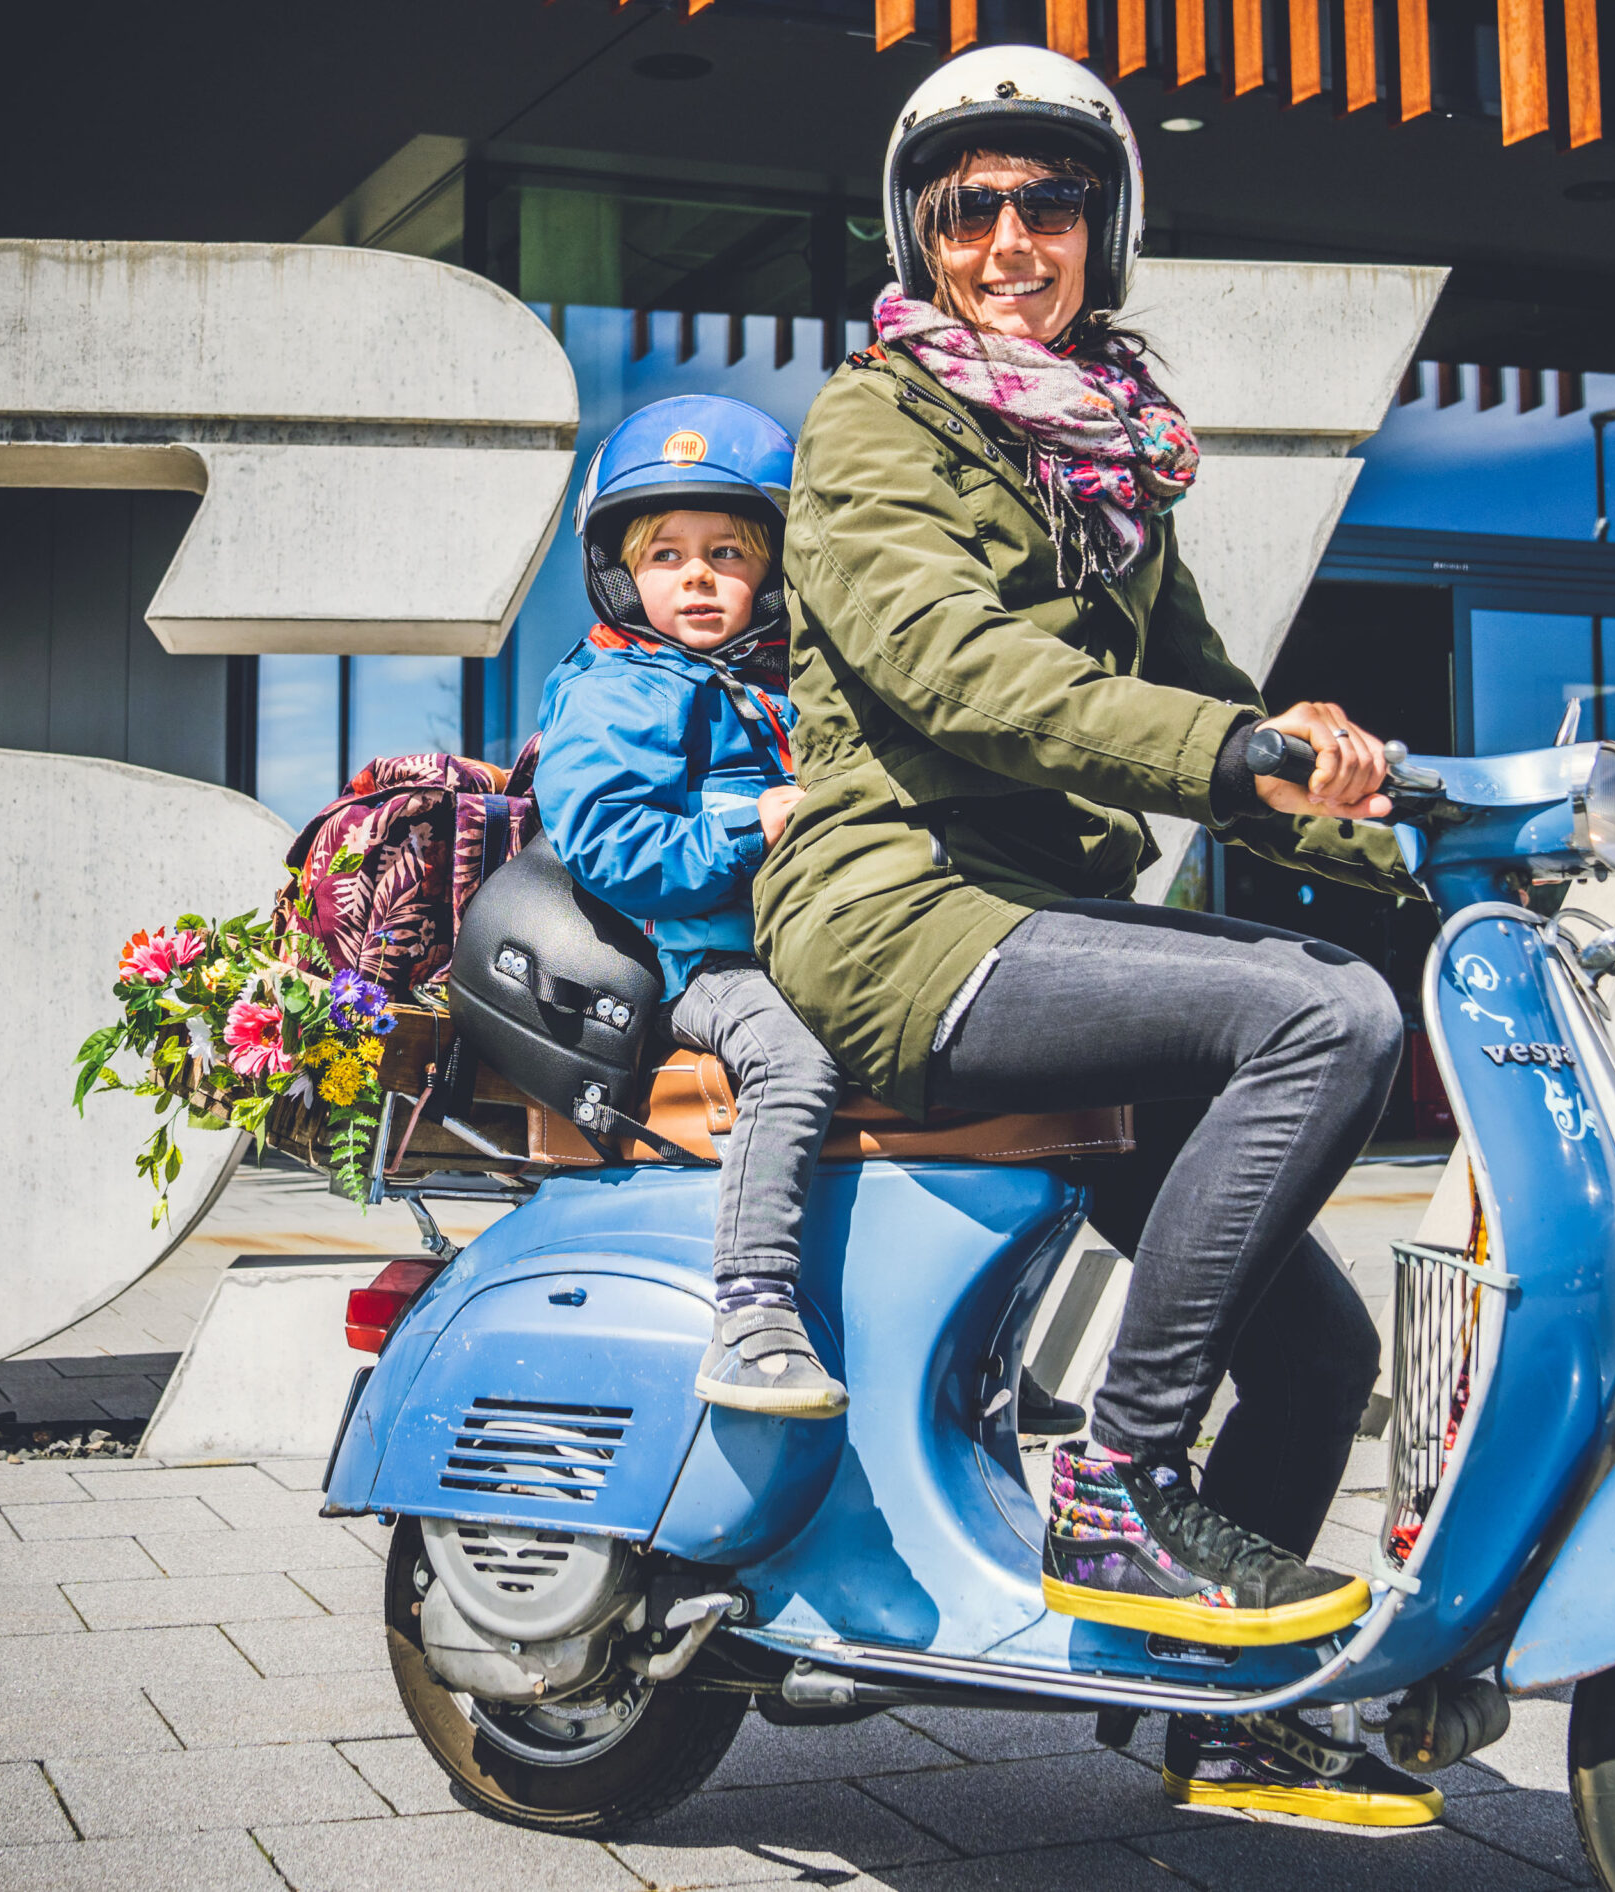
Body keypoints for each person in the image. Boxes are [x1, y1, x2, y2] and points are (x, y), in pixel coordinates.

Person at [760, 46, 1442, 1826]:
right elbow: (955, 669)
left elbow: (1211, 703)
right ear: (923, 233)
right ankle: (1122, 1477)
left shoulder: (1112, 461)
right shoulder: (875, 424)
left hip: (1047, 923)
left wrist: (1418, 832)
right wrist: (1234, 753)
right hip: (901, 910)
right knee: (1320, 1021)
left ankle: (1230, 1707)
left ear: (1104, 229)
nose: (1006, 237)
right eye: (966, 206)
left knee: (1320, 1356)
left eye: (1046, 202)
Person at [534, 395, 849, 1419]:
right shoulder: (614, 689)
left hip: (807, 947)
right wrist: (749, 825)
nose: (700, 576)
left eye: (728, 551)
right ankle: (751, 1311)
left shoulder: (778, 684)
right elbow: (615, 849)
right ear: (622, 574)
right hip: (699, 962)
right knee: (790, 1059)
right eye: (667, 554)